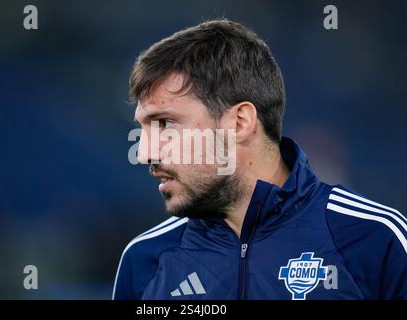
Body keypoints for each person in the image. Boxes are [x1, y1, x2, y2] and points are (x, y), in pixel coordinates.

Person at [113, 19, 407, 300]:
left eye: (165, 123)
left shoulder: (377, 240)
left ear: (240, 122)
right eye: (143, 128)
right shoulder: (143, 261)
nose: (144, 153)